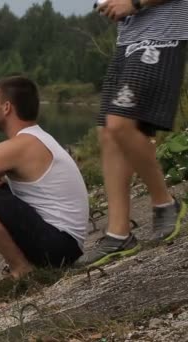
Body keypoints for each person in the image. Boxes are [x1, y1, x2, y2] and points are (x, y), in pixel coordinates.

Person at [77, 0, 188, 267]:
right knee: (107, 132)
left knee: (120, 123)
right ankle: (119, 234)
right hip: (130, 39)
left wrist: (134, 3)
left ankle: (165, 203)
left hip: (163, 36)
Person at [0, 76, 89, 279]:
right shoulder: (39, 137)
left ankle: (22, 270)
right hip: (66, 244)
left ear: (6, 108)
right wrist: (2, 190)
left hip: (59, 246)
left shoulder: (20, 145)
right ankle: (26, 264)